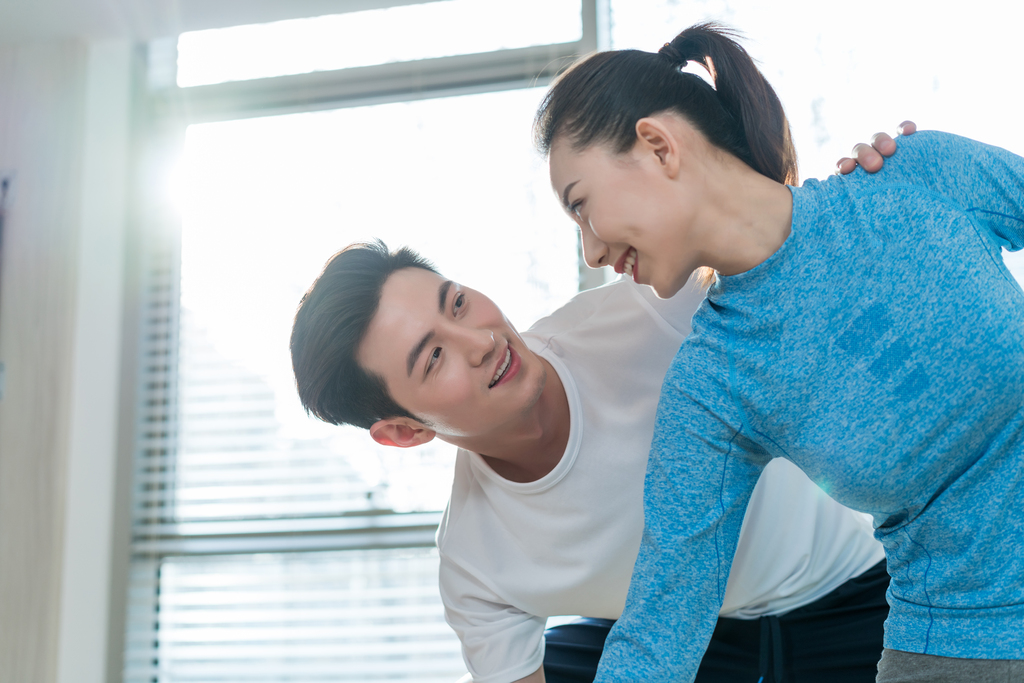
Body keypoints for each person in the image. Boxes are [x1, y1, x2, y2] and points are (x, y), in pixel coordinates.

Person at [289, 135, 902, 683]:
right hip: (693, 646)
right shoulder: (474, 564)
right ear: (403, 431)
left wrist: (881, 190)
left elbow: (806, 269)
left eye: (455, 303)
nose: (480, 342)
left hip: (853, 595)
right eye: (433, 359)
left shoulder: (651, 311)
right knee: (574, 653)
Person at [537, 22, 1024, 683]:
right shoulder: (711, 385)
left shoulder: (917, 176)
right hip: (959, 655)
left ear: (657, 146)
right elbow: (661, 625)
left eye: (582, 207)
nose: (591, 251)